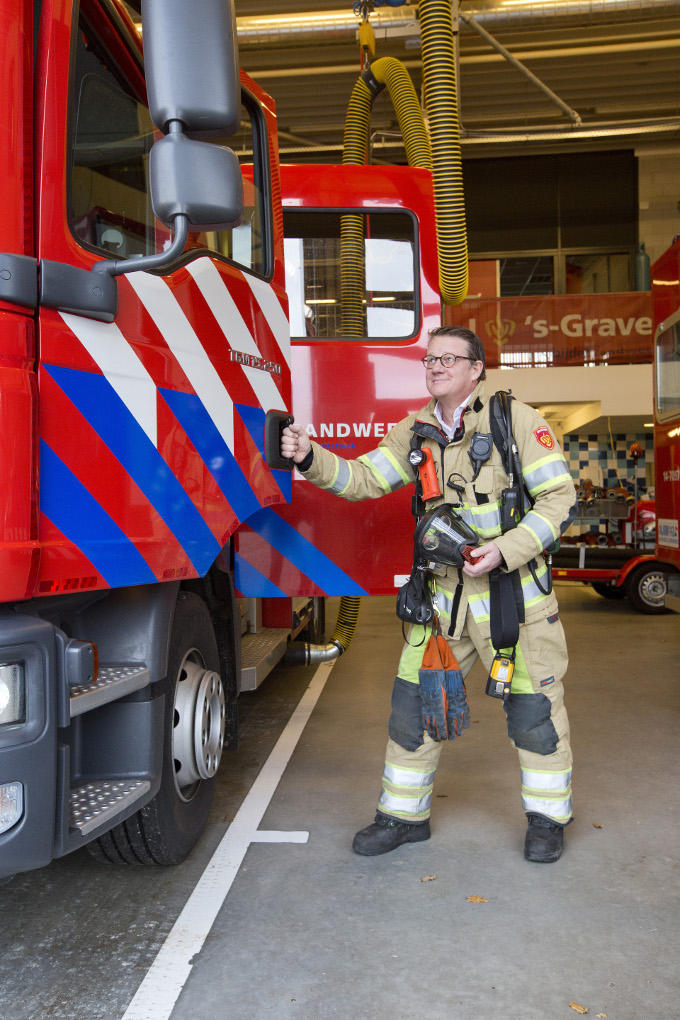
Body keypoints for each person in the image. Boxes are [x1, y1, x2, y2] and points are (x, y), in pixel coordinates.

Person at [281, 325, 576, 863]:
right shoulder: (415, 430)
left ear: (476, 368)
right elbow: (363, 478)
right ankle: (402, 817)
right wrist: (308, 457)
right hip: (440, 607)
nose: (436, 365)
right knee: (413, 709)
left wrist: (504, 550)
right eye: (430, 358)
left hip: (517, 606)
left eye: (448, 358)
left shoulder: (517, 421)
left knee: (534, 714)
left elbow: (559, 499)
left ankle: (547, 821)